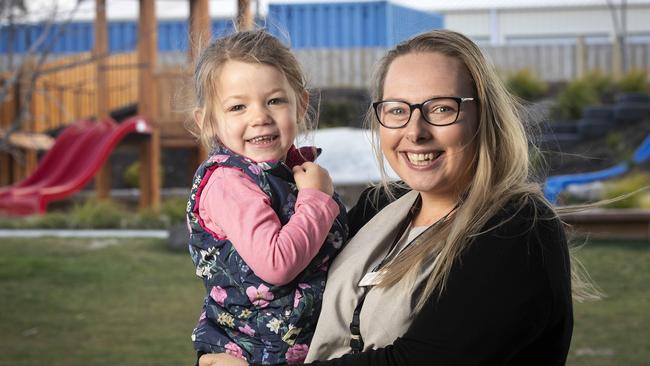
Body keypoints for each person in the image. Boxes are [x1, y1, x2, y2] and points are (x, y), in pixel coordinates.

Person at [201, 29, 595, 366]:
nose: (415, 130)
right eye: (397, 110)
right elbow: (265, 295)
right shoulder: (379, 207)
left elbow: (420, 361)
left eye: (441, 109)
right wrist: (214, 349)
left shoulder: (518, 227)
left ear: (484, 116)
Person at [186, 30, 348, 365]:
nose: (259, 116)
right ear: (209, 121)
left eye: (274, 100)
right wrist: (316, 199)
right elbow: (277, 263)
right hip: (253, 354)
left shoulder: (289, 173)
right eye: (237, 106)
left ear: (301, 103)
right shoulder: (229, 183)